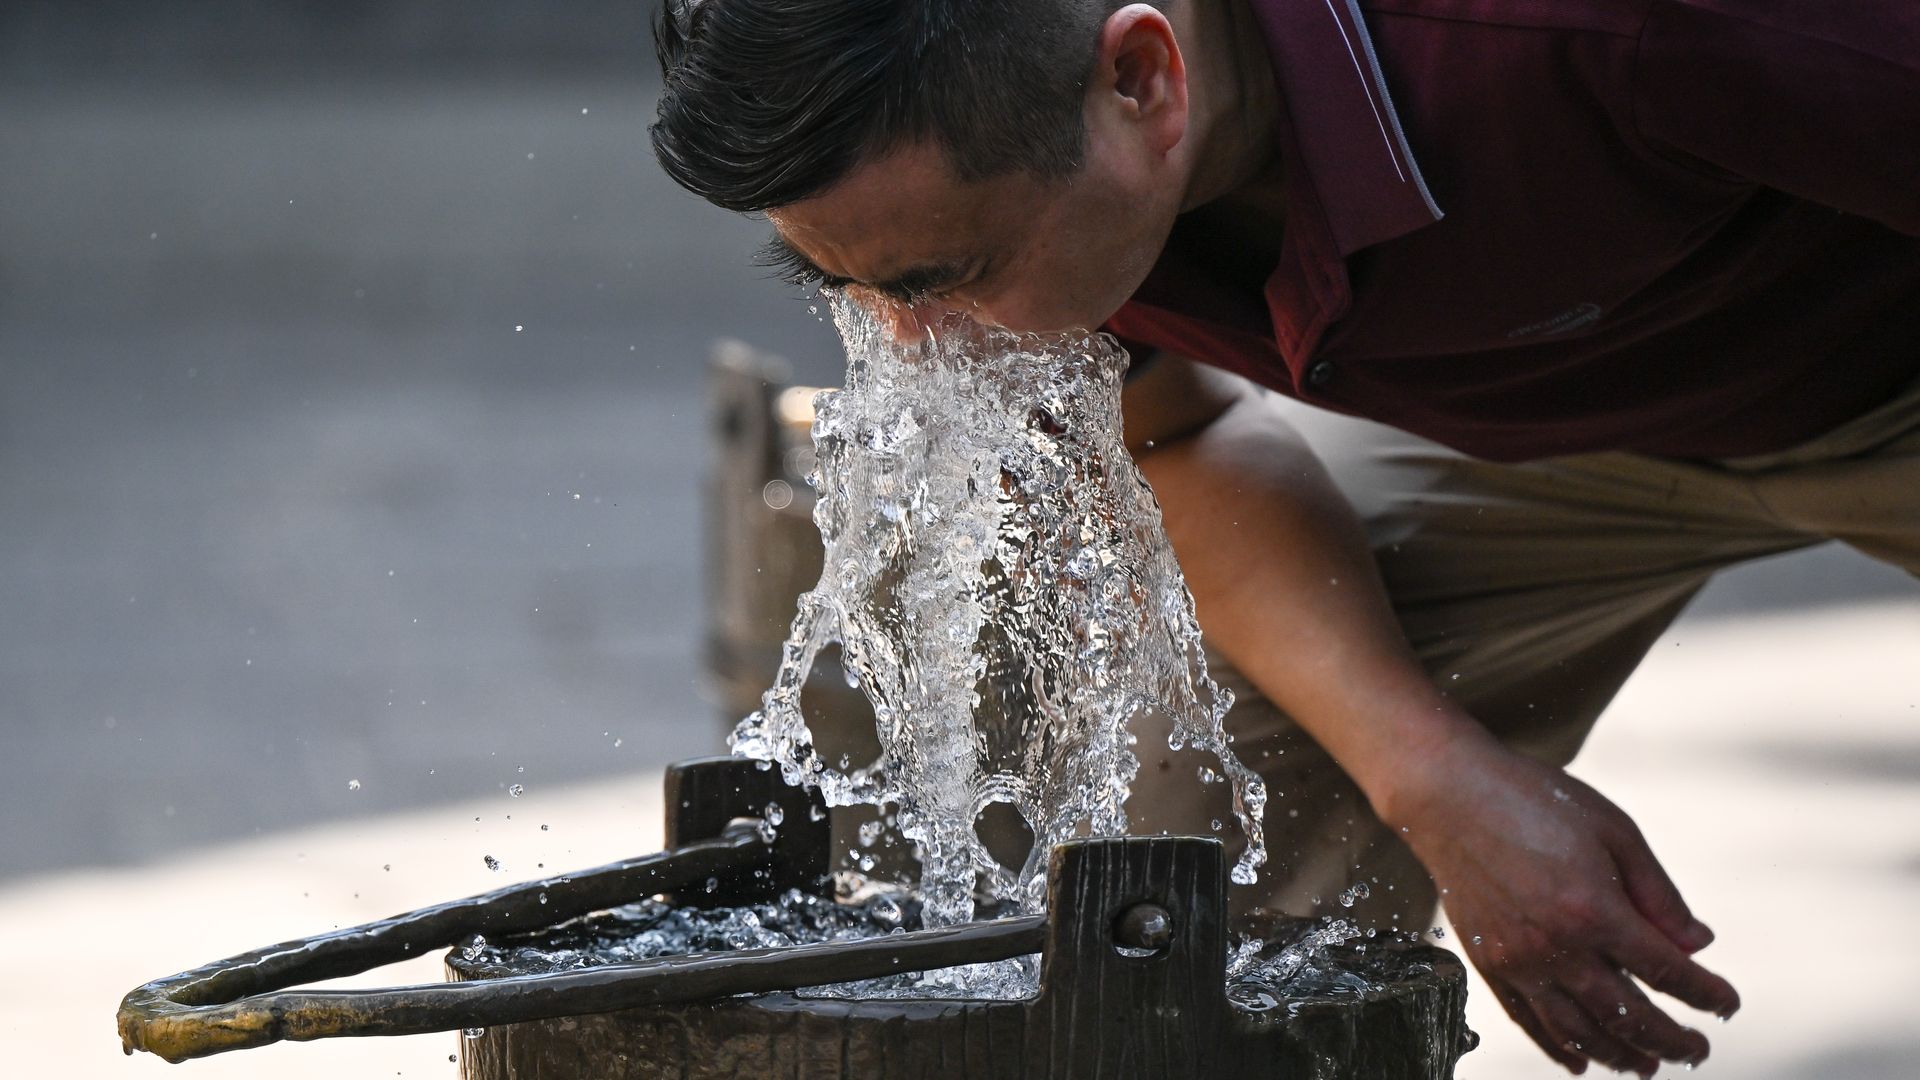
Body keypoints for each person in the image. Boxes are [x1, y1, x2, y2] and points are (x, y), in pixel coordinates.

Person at [649, 0, 1920, 1074]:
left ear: (1145, 82)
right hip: (1559, 422)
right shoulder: (1024, 148)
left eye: (943, 277)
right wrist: (1433, 776)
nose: (908, 348)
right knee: (1201, 809)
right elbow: (1171, 437)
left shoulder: (1602, 33)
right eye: (846, 286)